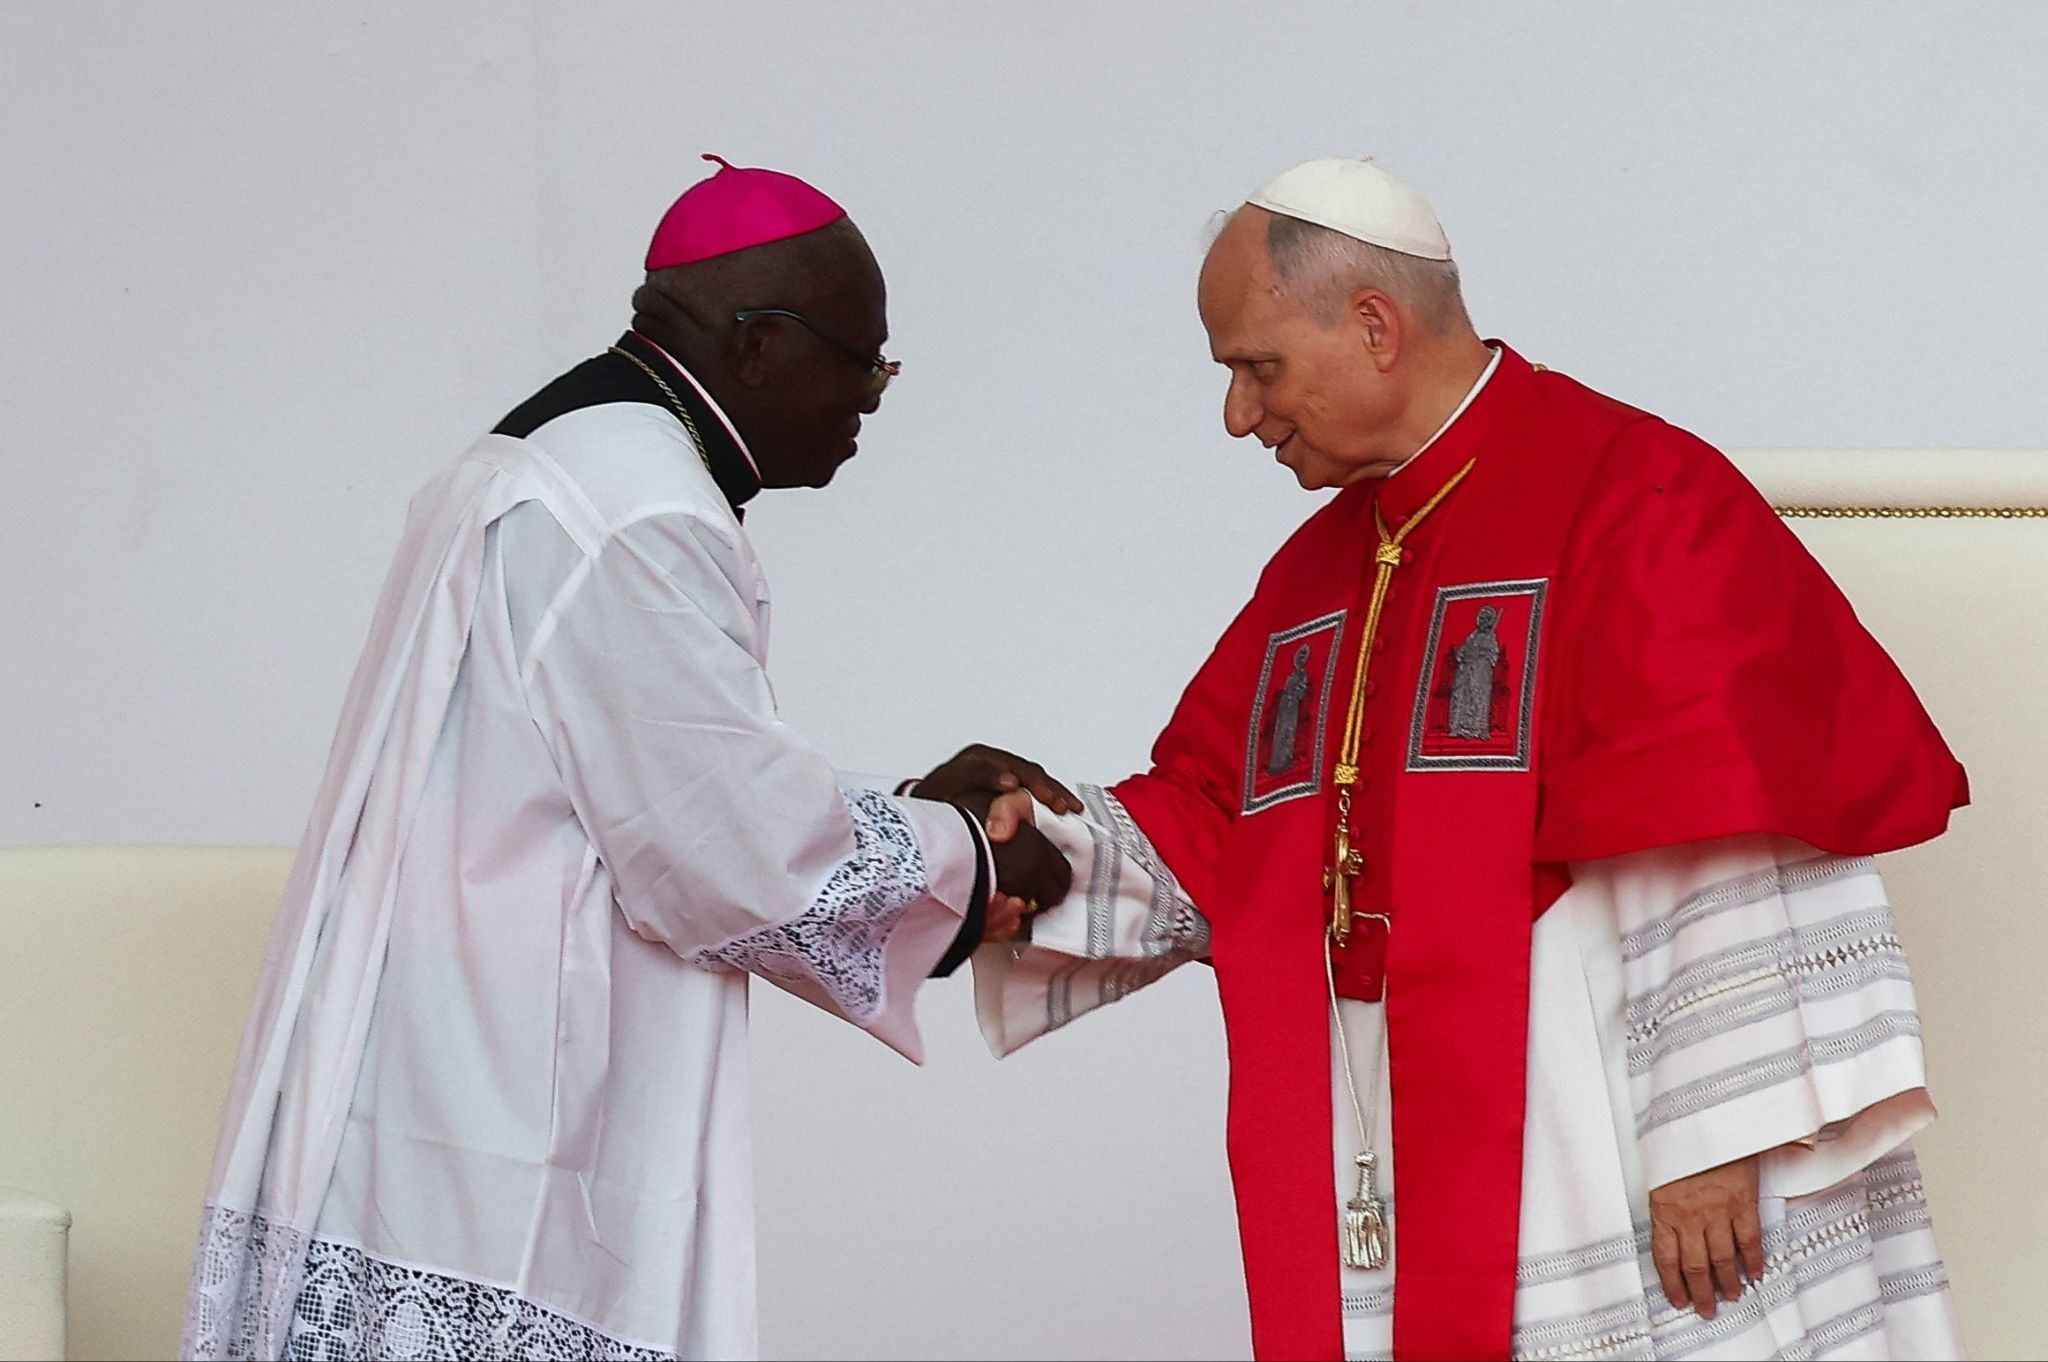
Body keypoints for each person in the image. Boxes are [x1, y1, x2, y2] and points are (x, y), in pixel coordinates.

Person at [959, 158, 1968, 1360]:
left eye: (1255, 367)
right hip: (1398, 1122)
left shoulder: (1631, 493)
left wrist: (1714, 1133)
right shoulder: (1320, 572)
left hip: (1605, 1121)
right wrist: (1016, 848)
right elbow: (1214, 822)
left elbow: (1727, 821)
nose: (1238, 414)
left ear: (1373, 325)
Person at [178, 156, 1071, 1362]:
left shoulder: (541, 456)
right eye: (863, 362)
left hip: (426, 1081)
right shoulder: (640, 510)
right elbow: (734, 856)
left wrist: (904, 807)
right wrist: (970, 857)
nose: (870, 398)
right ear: (757, 342)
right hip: (508, 1127)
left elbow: (649, 779)